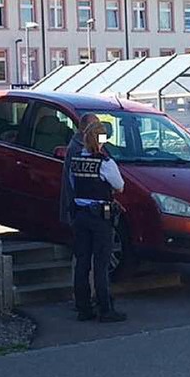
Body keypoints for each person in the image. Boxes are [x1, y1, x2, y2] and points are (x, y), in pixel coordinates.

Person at [70, 121, 127, 323]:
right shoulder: (105, 163)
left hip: (80, 215)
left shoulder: (76, 161)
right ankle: (105, 309)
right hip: (99, 217)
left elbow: (74, 185)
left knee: (82, 263)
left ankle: (83, 308)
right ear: (101, 139)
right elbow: (119, 186)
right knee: (101, 264)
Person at [60, 113, 100, 226]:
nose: (98, 128)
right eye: (95, 125)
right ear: (85, 128)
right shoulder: (76, 147)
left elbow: (105, 145)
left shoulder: (95, 140)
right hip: (83, 202)